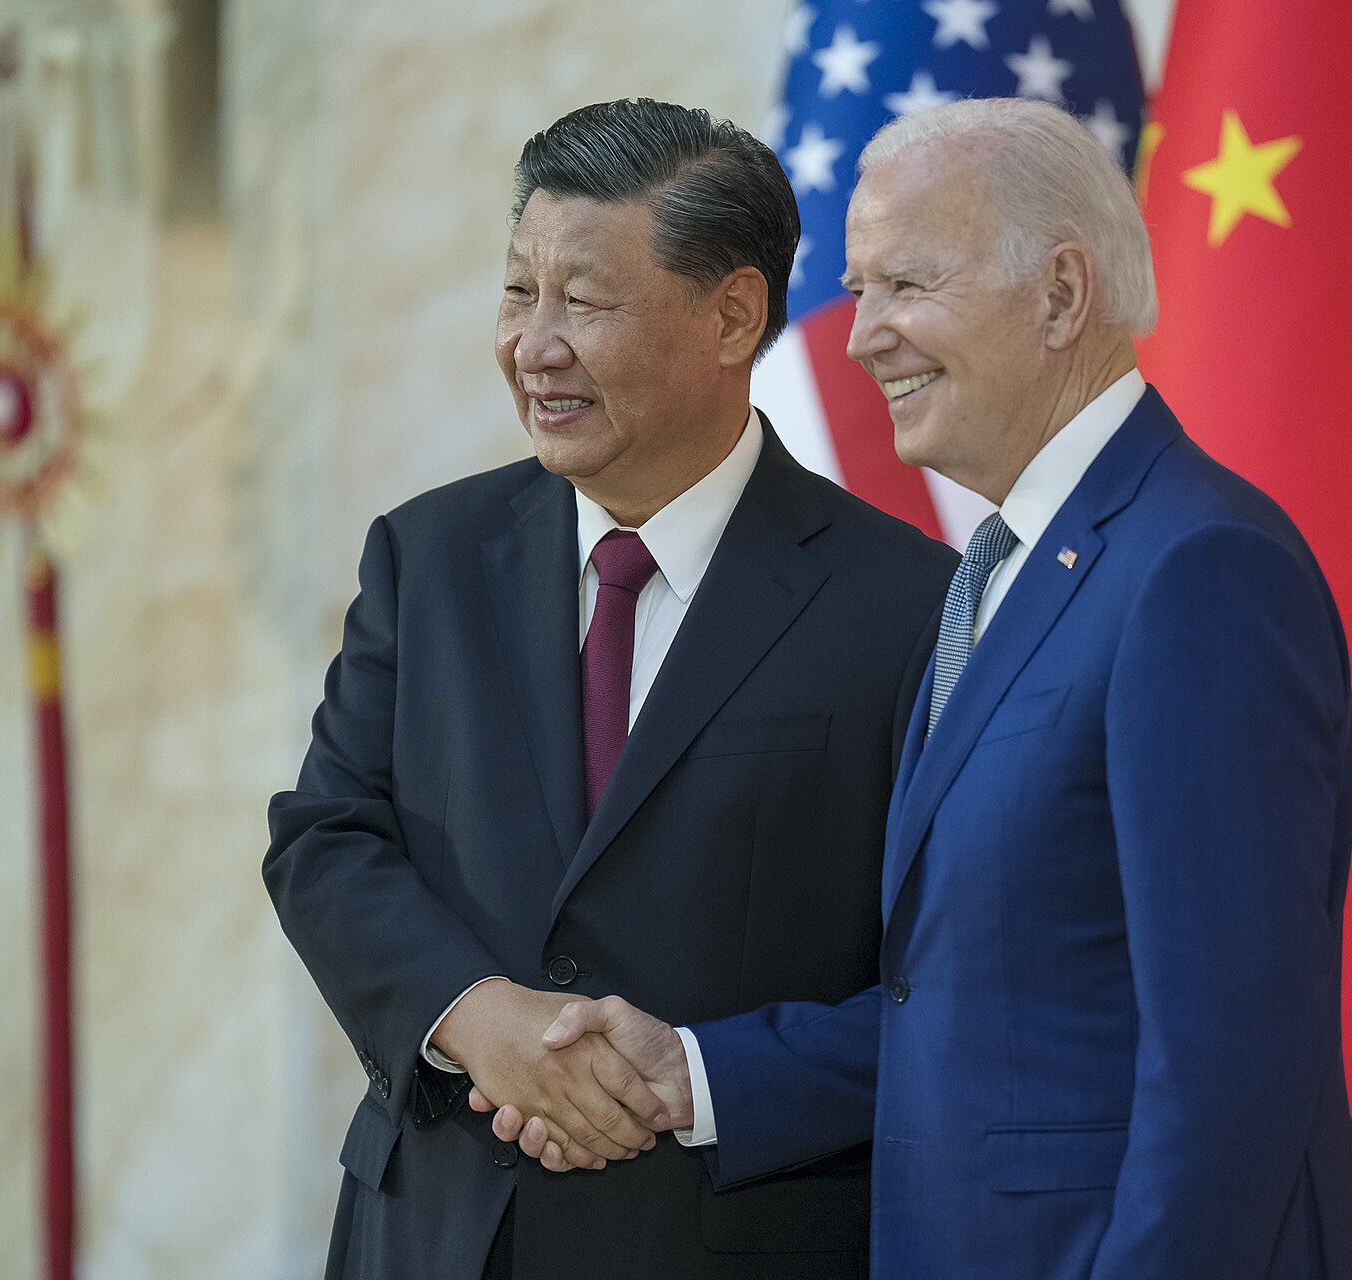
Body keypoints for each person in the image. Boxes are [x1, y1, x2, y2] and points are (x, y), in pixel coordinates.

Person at [502, 98, 1352, 1278]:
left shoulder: (1195, 569)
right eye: (858, 288)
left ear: (1061, 296)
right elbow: (973, 1002)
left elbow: (1233, 1065)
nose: (861, 337)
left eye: (905, 286)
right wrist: (695, 1073)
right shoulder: (997, 571)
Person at [263, 98, 956, 1280]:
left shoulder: (911, 606)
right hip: (429, 1238)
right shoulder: (426, 558)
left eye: (582, 301)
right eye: (519, 291)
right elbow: (325, 837)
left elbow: (952, 985)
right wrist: (477, 1016)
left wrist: (690, 1075)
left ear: (733, 314)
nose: (534, 344)